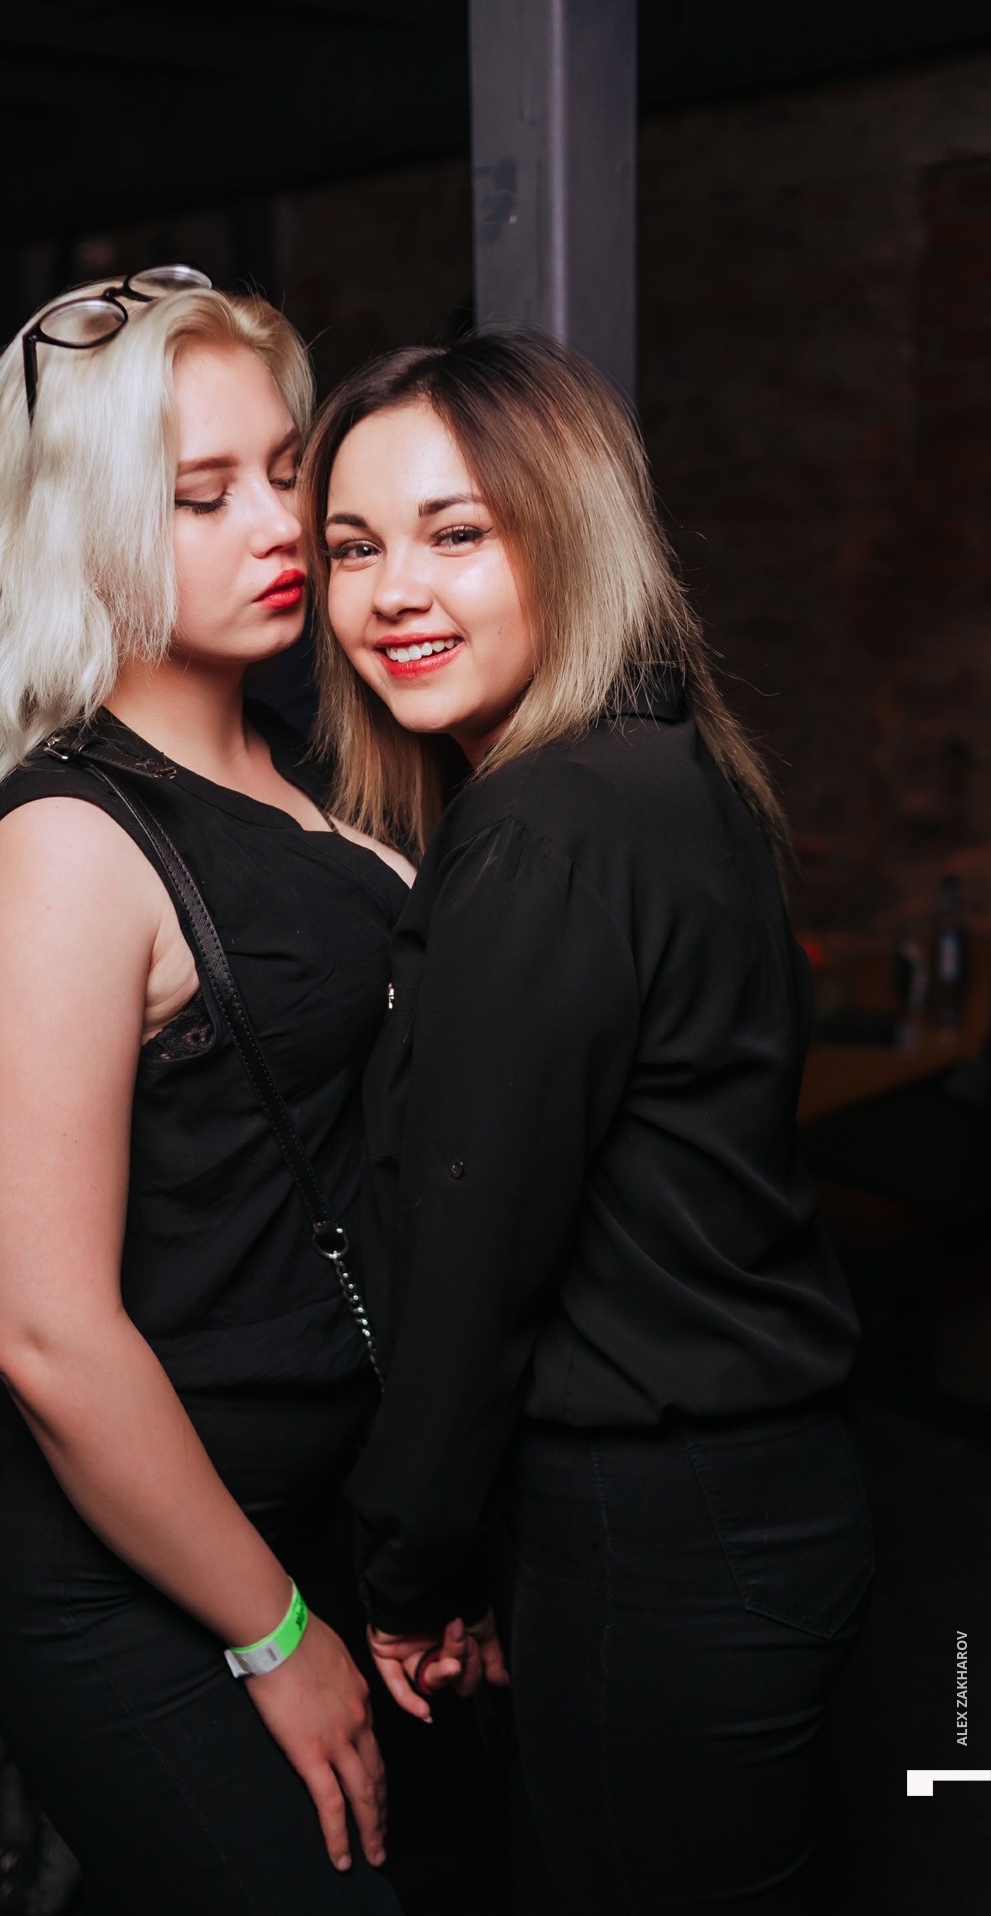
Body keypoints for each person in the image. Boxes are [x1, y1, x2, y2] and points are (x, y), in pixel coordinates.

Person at [302, 330, 873, 1914]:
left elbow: (471, 1265)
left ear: (566, 534)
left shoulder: (544, 827)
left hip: (667, 1533)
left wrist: (409, 1569)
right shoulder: (659, 771)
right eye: (353, 547)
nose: (392, 592)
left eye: (453, 533)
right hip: (744, 1509)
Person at [0, 269, 416, 1915]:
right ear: (79, 535)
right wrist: (273, 1634)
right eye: (200, 496)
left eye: (283, 469)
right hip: (122, 1577)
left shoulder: (308, 754)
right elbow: (46, 1335)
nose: (277, 524)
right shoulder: (68, 845)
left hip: (301, 1511)